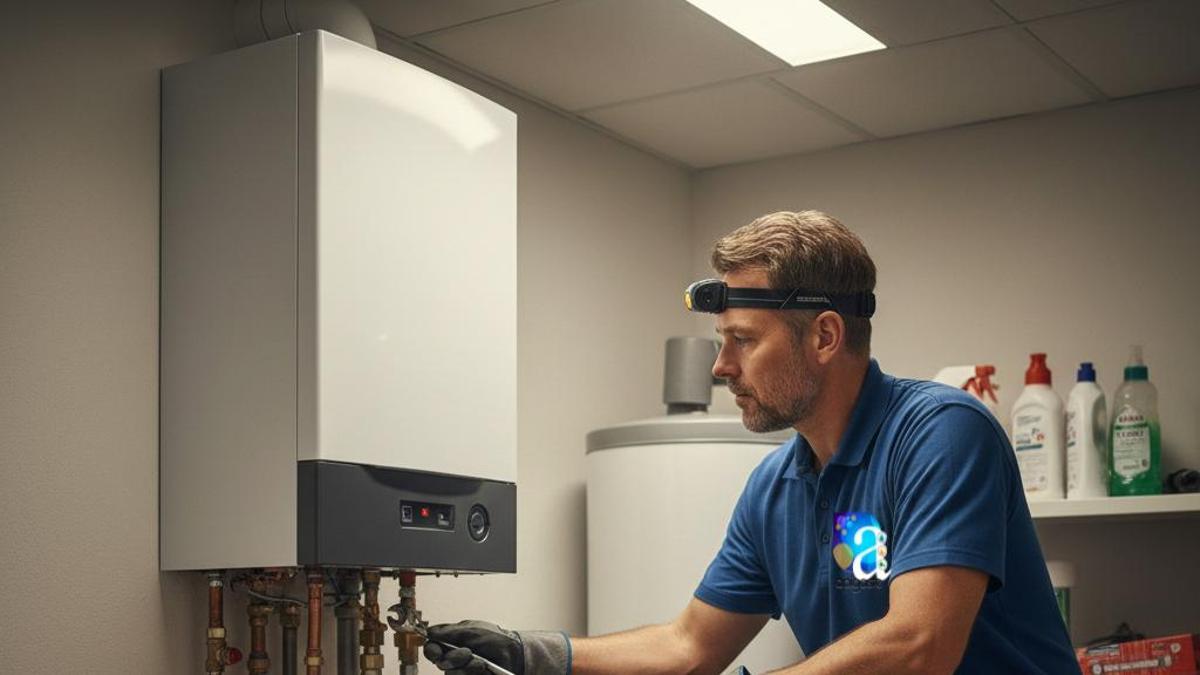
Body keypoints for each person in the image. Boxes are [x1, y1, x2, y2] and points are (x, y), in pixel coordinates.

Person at [424, 211, 1078, 674]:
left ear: (824, 337)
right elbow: (688, 646)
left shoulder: (941, 433)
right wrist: (536, 654)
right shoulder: (776, 487)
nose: (721, 367)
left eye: (743, 340)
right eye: (722, 342)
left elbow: (920, 645)